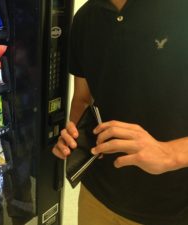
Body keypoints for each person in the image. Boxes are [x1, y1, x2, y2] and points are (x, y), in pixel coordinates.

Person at [52, 0, 188, 224]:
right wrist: (73, 141)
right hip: (95, 197)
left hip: (169, 209)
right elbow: (83, 98)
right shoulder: (85, 18)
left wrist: (169, 154)